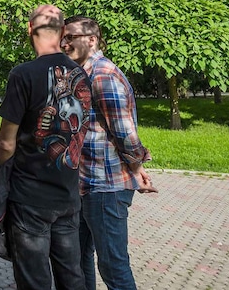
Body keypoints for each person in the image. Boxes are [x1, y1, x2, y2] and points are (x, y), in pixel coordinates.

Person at [0, 4, 92, 290]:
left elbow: (5, 143)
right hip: (68, 193)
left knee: (34, 281)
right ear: (63, 33)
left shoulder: (23, 75)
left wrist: (3, 168)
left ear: (29, 29)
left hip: (30, 198)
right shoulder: (81, 74)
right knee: (72, 277)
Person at [62, 15, 154, 290]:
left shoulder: (102, 75)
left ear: (91, 40)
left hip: (106, 187)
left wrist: (137, 168)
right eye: (63, 38)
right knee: (77, 261)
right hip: (84, 183)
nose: (64, 43)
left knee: (113, 266)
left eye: (71, 37)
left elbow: (124, 132)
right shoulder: (82, 73)